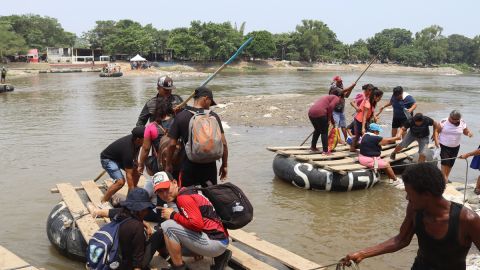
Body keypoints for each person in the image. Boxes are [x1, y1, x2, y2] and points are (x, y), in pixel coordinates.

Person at [342, 163, 480, 269]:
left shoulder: (468, 220)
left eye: (410, 193)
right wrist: (362, 253)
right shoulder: (414, 209)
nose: (407, 198)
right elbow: (401, 240)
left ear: (426, 194)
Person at [153, 171, 231, 270]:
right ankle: (221, 256)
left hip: (215, 243)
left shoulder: (183, 198)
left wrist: (173, 215)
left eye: (166, 188)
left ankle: (179, 267)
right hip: (221, 240)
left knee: (167, 226)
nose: (164, 194)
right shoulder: (187, 191)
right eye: (160, 191)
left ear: (174, 183)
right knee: (172, 244)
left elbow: (197, 225)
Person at [88, 188, 168, 270]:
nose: (147, 212)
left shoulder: (121, 212)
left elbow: (107, 212)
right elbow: (137, 262)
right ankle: (164, 255)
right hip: (125, 265)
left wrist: (146, 224)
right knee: (159, 234)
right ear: (141, 210)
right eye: (147, 209)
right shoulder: (137, 227)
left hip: (114, 259)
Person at [165, 86, 228, 187]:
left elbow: (171, 144)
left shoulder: (181, 116)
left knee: (188, 197)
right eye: (210, 102)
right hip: (210, 167)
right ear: (205, 99)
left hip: (189, 166)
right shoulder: (214, 116)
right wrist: (224, 165)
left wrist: (168, 164)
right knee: (210, 196)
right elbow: (223, 143)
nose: (210, 106)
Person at [100, 127, 145, 206]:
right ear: (138, 139)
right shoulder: (128, 150)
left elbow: (136, 152)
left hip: (119, 158)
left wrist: (136, 163)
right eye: (145, 138)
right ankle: (103, 201)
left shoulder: (137, 142)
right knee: (120, 182)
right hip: (108, 159)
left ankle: (129, 198)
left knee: (137, 172)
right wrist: (132, 191)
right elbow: (129, 175)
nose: (147, 140)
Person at [138, 99, 174, 175]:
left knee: (149, 162)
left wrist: (141, 164)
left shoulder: (151, 126)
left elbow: (146, 148)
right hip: (176, 162)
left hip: (160, 164)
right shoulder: (177, 122)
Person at [436, 110, 473, 183]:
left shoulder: (462, 122)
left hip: (455, 146)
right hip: (444, 145)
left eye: (455, 120)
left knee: (450, 163)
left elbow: (465, 131)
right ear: (450, 116)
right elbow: (437, 131)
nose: (453, 121)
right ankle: (443, 179)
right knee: (445, 162)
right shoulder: (444, 121)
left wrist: (469, 133)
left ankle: (446, 177)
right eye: (451, 119)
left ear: (458, 119)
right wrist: (436, 140)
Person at [328, 76, 356, 142]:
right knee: (335, 126)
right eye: (339, 81)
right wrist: (351, 86)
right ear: (335, 81)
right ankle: (338, 139)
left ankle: (346, 139)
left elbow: (346, 95)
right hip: (334, 110)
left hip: (341, 110)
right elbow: (343, 91)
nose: (340, 82)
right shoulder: (333, 87)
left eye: (341, 81)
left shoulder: (341, 86)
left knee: (343, 125)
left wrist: (351, 89)